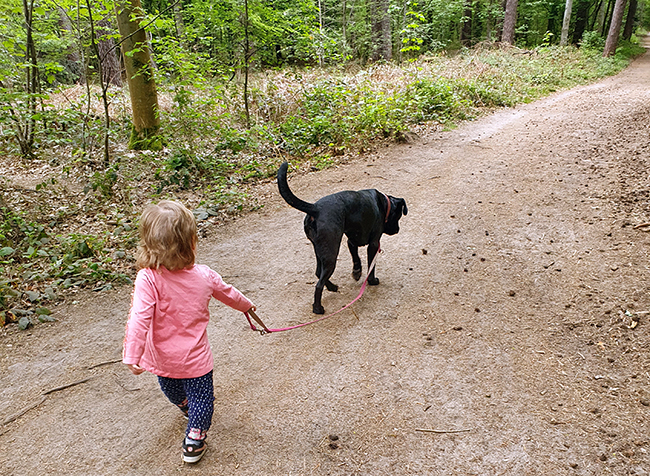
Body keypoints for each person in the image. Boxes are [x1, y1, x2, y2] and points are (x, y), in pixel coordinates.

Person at [122, 200, 255, 464]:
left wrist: (132, 353)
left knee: (171, 388)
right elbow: (228, 293)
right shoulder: (204, 276)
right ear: (192, 242)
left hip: (162, 361)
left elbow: (139, 317)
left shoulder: (147, 278)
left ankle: (184, 406)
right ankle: (195, 437)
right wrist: (247, 307)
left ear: (147, 243)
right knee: (202, 400)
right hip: (196, 362)